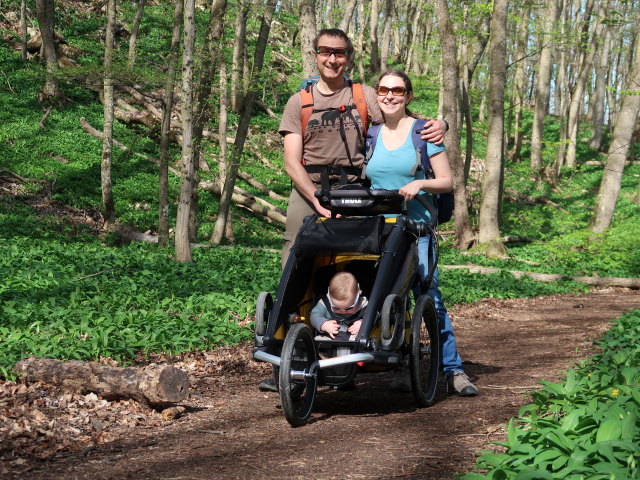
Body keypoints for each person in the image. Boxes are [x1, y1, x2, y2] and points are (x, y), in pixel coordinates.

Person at [259, 27, 447, 392]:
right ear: (316, 54)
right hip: (310, 189)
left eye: (340, 53)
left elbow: (405, 120)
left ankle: (362, 341)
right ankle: (290, 357)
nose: (332, 59)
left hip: (358, 189)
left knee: (362, 263)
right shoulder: (300, 100)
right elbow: (291, 161)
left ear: (348, 57)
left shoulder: (363, 95)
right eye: (326, 52)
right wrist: (314, 197)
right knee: (296, 265)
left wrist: (441, 125)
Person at [365, 70, 478, 397]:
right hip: (379, 232)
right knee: (388, 298)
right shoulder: (370, 135)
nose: (389, 95)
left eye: (397, 90)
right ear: (377, 94)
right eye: (384, 89)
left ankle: (453, 370)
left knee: (429, 297)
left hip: (417, 231)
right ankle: (400, 363)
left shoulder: (424, 133)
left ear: (408, 95)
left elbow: (447, 181)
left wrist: (420, 183)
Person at [311, 271, 367, 341]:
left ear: (358, 294)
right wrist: (323, 324)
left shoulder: (363, 304)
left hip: (354, 338)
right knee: (317, 341)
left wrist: (363, 323)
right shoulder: (325, 303)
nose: (342, 311)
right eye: (336, 308)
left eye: (349, 308)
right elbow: (314, 315)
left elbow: (374, 316)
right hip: (329, 337)